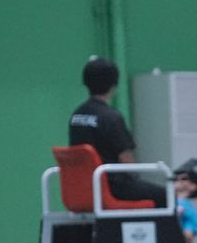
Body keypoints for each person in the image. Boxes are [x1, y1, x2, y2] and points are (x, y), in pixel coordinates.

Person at [67, 55, 162, 202]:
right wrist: (136, 179)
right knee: (166, 195)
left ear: (86, 82)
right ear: (114, 84)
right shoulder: (111, 117)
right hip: (113, 187)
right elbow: (126, 159)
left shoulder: (76, 116)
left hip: (83, 188)